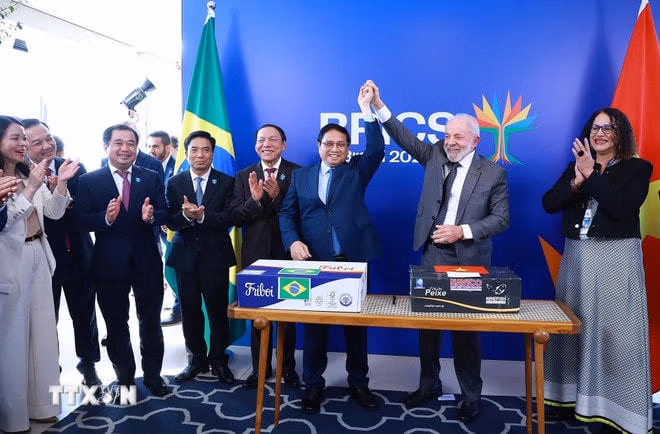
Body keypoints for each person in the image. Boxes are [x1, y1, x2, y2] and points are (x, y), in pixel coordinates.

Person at [367, 80, 510, 422]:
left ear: (475, 141)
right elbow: (403, 136)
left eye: (458, 137)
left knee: (466, 333)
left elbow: (501, 218)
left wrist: (462, 231)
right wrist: (378, 104)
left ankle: (471, 395)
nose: (450, 142)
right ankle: (428, 384)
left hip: (470, 259)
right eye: (447, 135)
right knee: (428, 325)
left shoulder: (493, 173)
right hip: (432, 254)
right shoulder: (434, 155)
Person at [541, 108, 652, 434]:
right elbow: (549, 203)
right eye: (595, 128)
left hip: (615, 261)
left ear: (621, 134)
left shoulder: (638, 168)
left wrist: (592, 175)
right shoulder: (576, 166)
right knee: (571, 329)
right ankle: (563, 400)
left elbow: (621, 208)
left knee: (614, 335)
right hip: (577, 260)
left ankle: (615, 410)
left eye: (608, 128)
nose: (600, 133)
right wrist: (576, 181)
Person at [279, 84, 384, 414]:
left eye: (341, 144)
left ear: (348, 148)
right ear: (319, 146)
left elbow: (377, 148)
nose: (334, 148)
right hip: (315, 261)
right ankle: (313, 384)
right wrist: (293, 241)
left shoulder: (357, 171)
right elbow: (286, 213)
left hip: (353, 260)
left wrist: (366, 110)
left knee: (356, 328)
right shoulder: (301, 177)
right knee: (314, 329)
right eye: (329, 143)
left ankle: (359, 383)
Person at [76, 123, 170, 399]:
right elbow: (81, 220)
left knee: (151, 323)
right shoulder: (89, 181)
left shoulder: (151, 176)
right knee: (116, 326)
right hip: (109, 264)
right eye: (118, 143)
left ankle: (153, 377)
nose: (125, 149)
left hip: (147, 262)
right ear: (106, 146)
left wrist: (152, 217)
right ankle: (125, 381)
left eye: (131, 143)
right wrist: (105, 218)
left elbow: (164, 212)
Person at [0, 115, 79, 432]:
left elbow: (54, 213)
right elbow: (6, 222)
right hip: (11, 261)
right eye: (15, 138)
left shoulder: (27, 171)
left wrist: (60, 184)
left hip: (39, 255)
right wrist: (32, 186)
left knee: (44, 335)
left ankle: (43, 406)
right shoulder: (16, 178)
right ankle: (13, 417)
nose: (22, 144)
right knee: (13, 339)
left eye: (24, 138)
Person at [23, 119, 101, 388]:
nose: (47, 145)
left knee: (85, 315)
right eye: (37, 142)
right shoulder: (21, 176)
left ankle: (88, 365)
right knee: (46, 319)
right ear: (24, 147)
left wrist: (63, 193)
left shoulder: (74, 169)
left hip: (78, 255)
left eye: (49, 138)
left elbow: (87, 210)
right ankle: (49, 370)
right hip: (44, 259)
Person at [230, 123, 301, 389]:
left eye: (273, 139)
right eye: (261, 140)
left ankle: (288, 368)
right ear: (255, 145)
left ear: (284, 144)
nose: (266, 144)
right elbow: (235, 217)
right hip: (256, 257)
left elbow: (303, 215)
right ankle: (260, 368)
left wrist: (277, 197)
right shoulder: (243, 176)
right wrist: (255, 199)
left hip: (287, 255)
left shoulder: (298, 173)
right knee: (258, 318)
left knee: (288, 317)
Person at [165, 130, 236, 384]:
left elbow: (229, 218)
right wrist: (186, 216)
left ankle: (219, 360)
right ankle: (196, 360)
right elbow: (170, 220)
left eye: (206, 150)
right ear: (186, 153)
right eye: (194, 150)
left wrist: (202, 216)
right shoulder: (175, 183)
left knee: (217, 311)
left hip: (215, 256)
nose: (200, 155)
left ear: (213, 153)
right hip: (185, 258)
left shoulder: (226, 182)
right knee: (190, 311)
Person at [146, 130, 181, 327]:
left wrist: (169, 219)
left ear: (168, 147)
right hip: (155, 225)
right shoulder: (149, 166)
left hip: (173, 227)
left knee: (175, 267)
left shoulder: (178, 166)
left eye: (155, 146)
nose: (151, 150)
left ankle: (179, 310)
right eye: (149, 146)